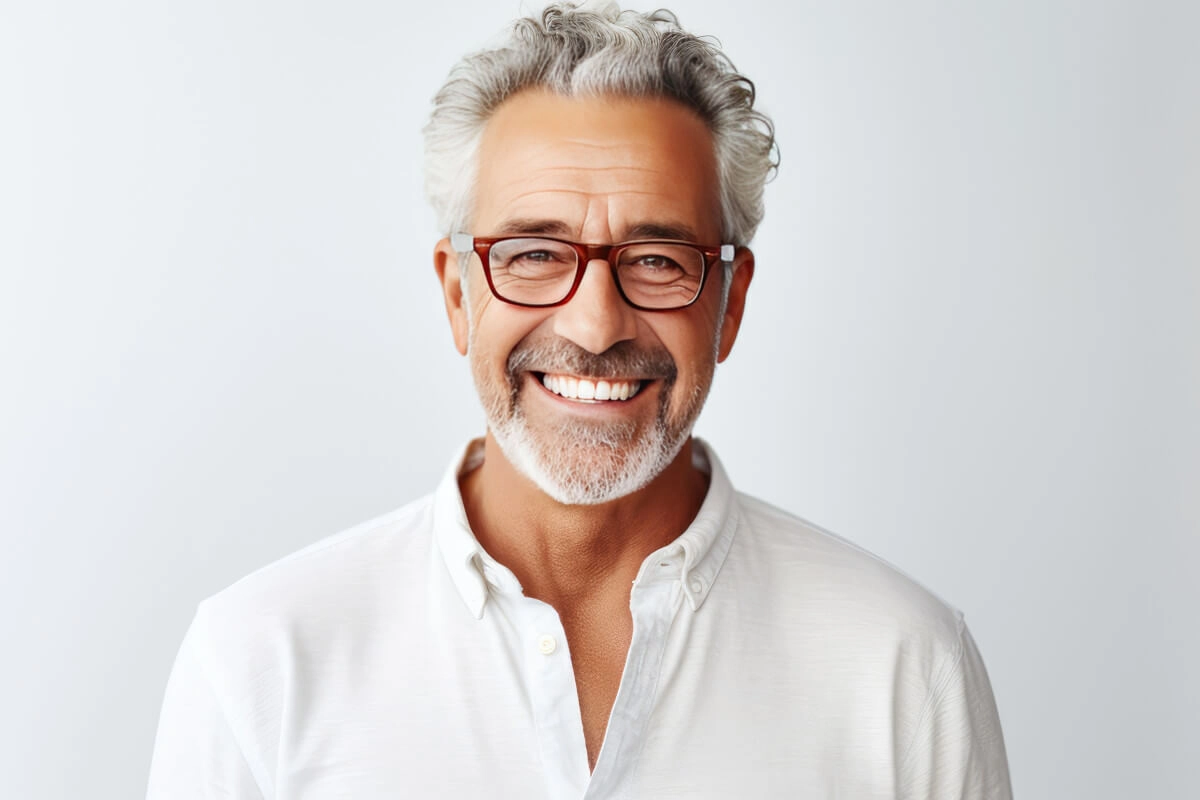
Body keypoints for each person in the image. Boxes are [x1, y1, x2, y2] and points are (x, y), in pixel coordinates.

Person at [147, 3, 1012, 797]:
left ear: (731, 303)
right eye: (531, 254)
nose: (596, 326)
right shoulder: (261, 660)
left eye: (657, 260)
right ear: (458, 294)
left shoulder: (901, 666)